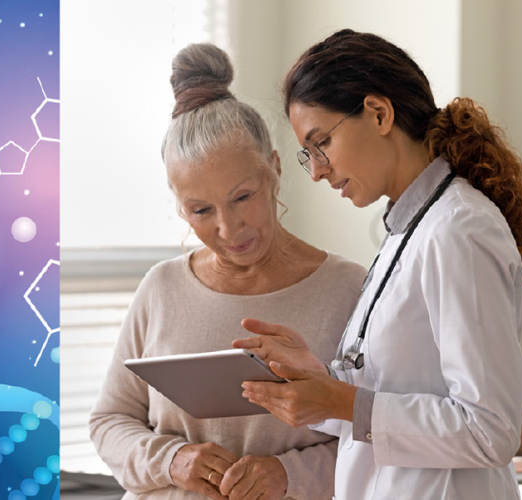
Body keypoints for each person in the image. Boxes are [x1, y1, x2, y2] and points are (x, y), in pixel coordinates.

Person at [235, 29, 522, 499]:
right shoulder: (407, 231)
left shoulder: (458, 231)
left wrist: (345, 401)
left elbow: (490, 430)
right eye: (309, 154)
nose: (318, 169)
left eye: (320, 142)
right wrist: (320, 383)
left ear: (379, 113)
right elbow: (392, 393)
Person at [89, 43, 366, 500]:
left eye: (242, 197)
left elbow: (375, 435)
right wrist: (171, 461)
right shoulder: (161, 288)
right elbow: (110, 421)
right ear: (180, 209)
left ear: (275, 169)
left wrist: (287, 475)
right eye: (201, 210)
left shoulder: (349, 289)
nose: (228, 228)